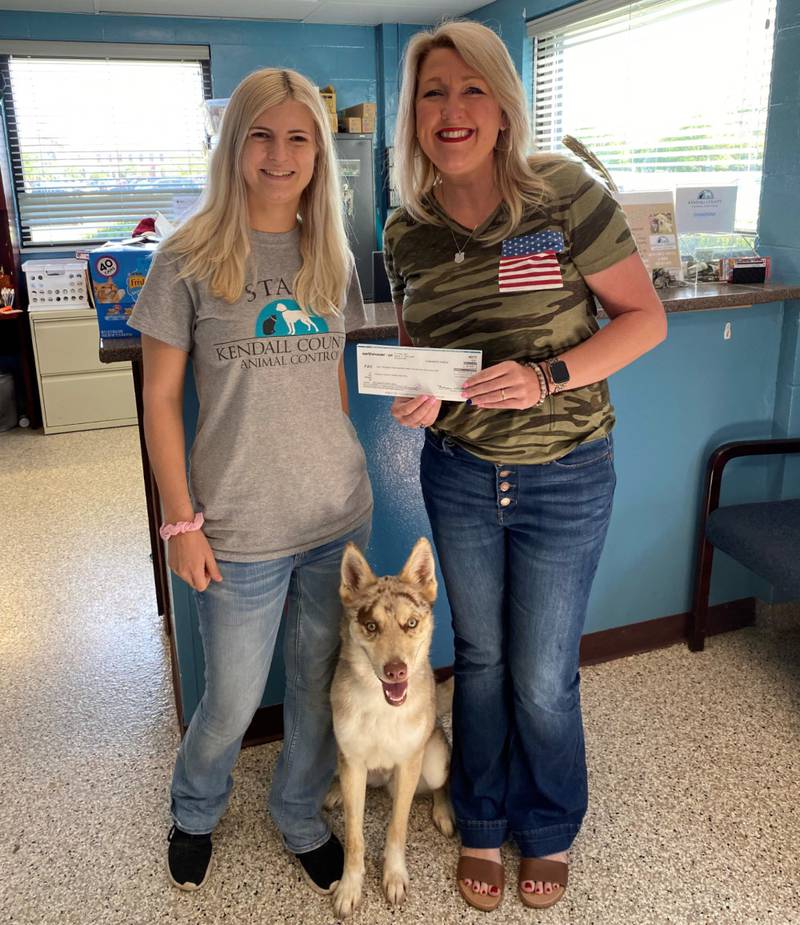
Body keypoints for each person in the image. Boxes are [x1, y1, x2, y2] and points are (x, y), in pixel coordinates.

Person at [383, 20, 666, 913]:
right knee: (480, 656)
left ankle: (546, 827)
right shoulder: (407, 228)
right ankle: (480, 815)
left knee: (543, 671)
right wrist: (423, 395)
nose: (453, 110)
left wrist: (546, 376)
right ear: (414, 115)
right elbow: (417, 348)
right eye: (434, 93)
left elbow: (643, 319)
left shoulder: (565, 194)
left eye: (471, 90)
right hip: (460, 471)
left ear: (504, 105)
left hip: (566, 471)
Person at [128, 67, 372, 896]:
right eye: (260, 136)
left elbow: (328, 377)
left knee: (313, 686)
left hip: (336, 517)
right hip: (236, 526)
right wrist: (180, 524)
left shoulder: (328, 252)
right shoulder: (188, 258)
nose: (279, 154)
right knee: (230, 700)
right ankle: (195, 808)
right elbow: (160, 399)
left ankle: (299, 813)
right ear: (234, 147)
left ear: (318, 150)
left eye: (298, 137)